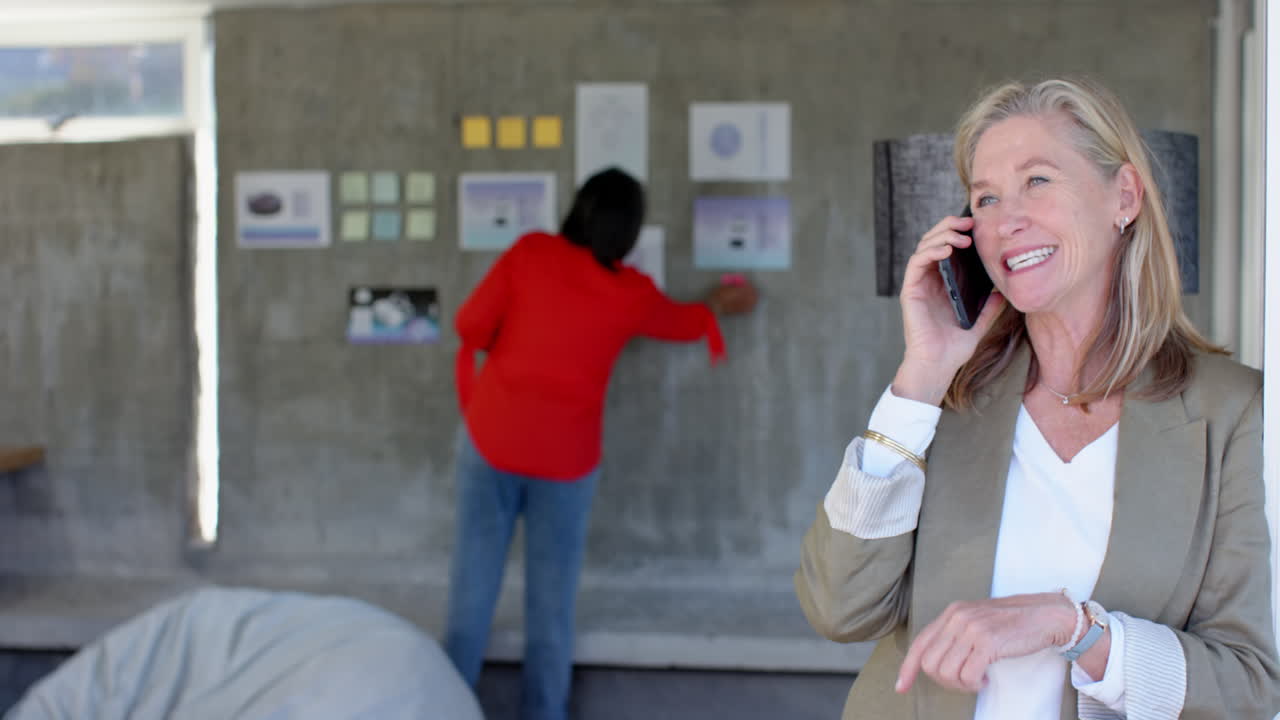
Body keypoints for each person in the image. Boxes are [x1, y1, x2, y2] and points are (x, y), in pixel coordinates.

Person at [795, 77, 1280, 719]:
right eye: (986, 197)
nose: (1007, 220)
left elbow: (1250, 686)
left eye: (1038, 181)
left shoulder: (1232, 410)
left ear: (1124, 197)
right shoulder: (946, 400)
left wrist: (1075, 630)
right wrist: (920, 377)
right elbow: (839, 607)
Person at [444, 168, 757, 720]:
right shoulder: (630, 295)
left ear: (579, 209)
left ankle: (439, 706)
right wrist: (719, 303)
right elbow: (684, 322)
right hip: (566, 461)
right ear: (630, 232)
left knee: (470, 597)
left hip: (492, 440)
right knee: (551, 609)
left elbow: (470, 323)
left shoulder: (529, 254)